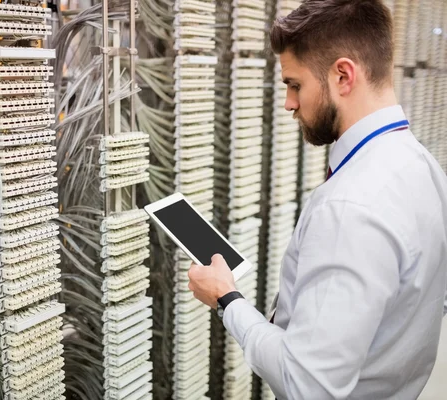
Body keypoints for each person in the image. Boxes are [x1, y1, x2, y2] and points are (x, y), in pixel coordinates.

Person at [187, 0, 447, 399]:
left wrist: (227, 300)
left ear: (343, 75)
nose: (289, 103)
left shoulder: (350, 208)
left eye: (295, 85)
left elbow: (308, 386)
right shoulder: (422, 166)